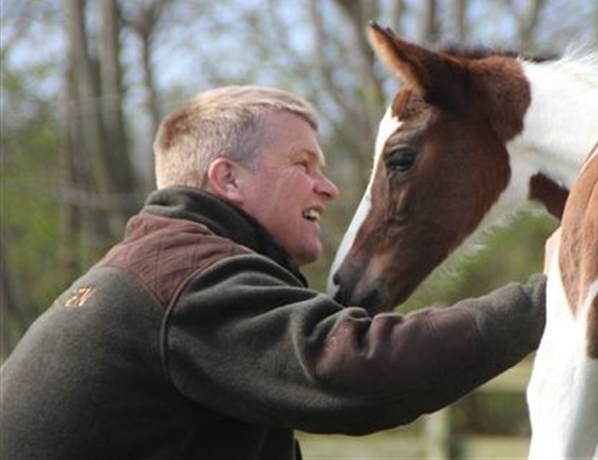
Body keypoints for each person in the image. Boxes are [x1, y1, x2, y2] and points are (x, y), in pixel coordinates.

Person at [0, 86, 546, 460]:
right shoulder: (186, 278)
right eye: (302, 164)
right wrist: (553, 301)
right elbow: (356, 368)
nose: (328, 188)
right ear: (228, 180)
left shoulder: (154, 265)